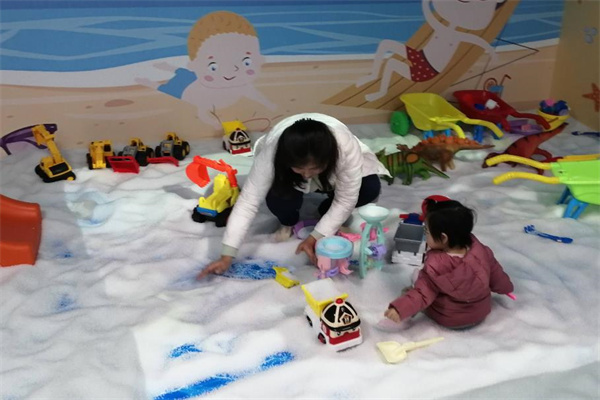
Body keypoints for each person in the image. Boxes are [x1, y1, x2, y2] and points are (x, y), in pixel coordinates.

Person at [198, 113, 390, 279]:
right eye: (299, 168)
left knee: (369, 188)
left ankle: (326, 210)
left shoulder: (345, 149)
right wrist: (227, 255)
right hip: (287, 167)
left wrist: (316, 235)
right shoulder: (272, 153)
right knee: (279, 199)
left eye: (314, 168)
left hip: (334, 168)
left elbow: (346, 199)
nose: (306, 174)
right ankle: (288, 219)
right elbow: (248, 202)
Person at [384, 199, 514, 329]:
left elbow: (422, 294)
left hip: (451, 318)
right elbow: (496, 274)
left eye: (427, 232)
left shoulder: (437, 267)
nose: (425, 235)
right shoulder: (481, 251)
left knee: (415, 287)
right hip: (481, 311)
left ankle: (409, 308)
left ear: (443, 238)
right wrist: (506, 288)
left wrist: (400, 309)